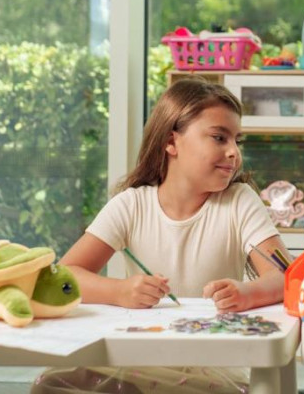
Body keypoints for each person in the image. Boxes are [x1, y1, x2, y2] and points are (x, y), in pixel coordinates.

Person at [32, 79, 289, 394]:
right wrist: (119, 291)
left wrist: (247, 293)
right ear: (171, 142)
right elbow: (63, 277)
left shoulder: (239, 201)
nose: (233, 152)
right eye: (219, 137)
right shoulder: (131, 205)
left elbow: (286, 276)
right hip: (138, 357)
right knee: (50, 385)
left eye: (237, 140)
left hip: (214, 364)